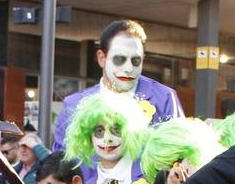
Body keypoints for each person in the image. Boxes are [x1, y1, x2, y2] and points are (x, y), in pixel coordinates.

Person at [52, 19, 184, 151]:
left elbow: (180, 152)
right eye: (119, 59)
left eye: (136, 60)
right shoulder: (74, 105)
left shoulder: (164, 98)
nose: (128, 68)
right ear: (101, 58)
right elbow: (61, 163)